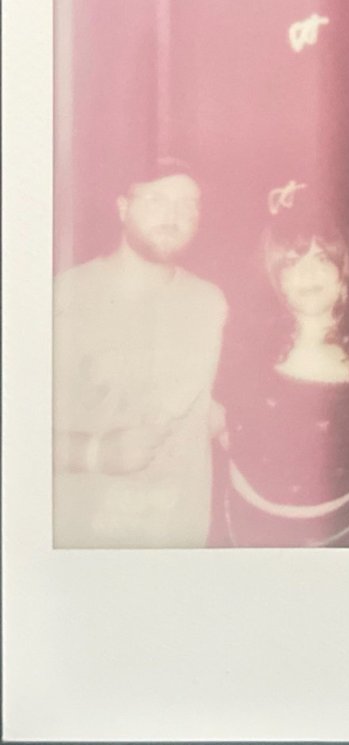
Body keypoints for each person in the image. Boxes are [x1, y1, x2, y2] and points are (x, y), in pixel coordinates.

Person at [53, 158, 228, 548]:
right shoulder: (63, 298)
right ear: (122, 208)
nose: (174, 215)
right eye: (157, 199)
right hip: (86, 541)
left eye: (188, 203)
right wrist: (95, 453)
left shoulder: (210, 302)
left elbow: (206, 410)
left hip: (182, 536)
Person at [213, 183, 349, 547]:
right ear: (274, 277)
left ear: (344, 273)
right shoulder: (239, 343)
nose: (309, 274)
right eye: (293, 261)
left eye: (322, 259)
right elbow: (217, 420)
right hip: (250, 528)